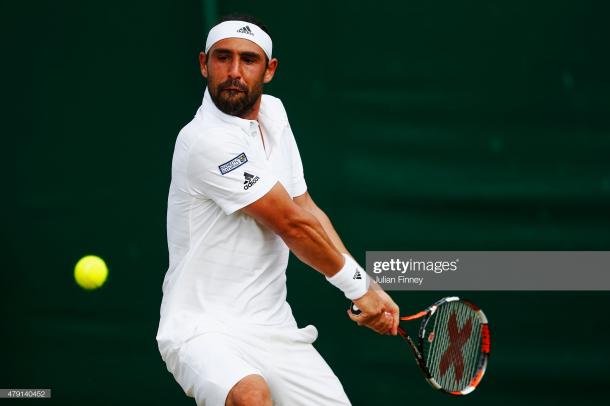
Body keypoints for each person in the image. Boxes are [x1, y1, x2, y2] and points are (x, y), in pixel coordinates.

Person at [156, 14, 400, 406]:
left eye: (248, 60)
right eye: (223, 58)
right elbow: (292, 225)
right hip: (201, 329)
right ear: (204, 64)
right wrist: (358, 289)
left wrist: (367, 286)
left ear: (269, 70)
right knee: (251, 397)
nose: (234, 71)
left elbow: (306, 209)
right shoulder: (204, 141)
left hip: (275, 330)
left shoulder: (275, 116)